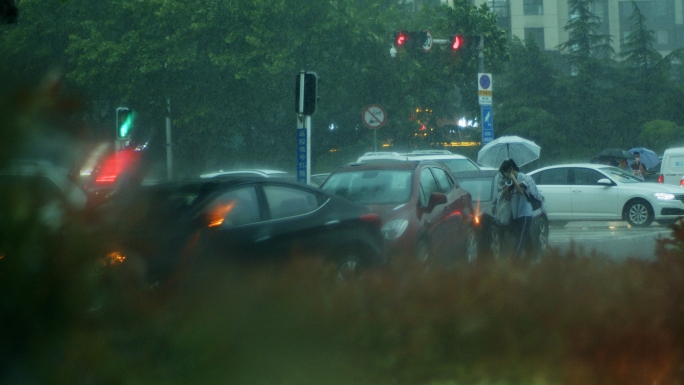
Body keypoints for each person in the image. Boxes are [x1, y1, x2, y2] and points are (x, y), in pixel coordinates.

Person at [498, 159, 544, 259]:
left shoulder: (523, 177)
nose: (505, 175)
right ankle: (532, 255)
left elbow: (521, 190)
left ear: (510, 169)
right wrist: (506, 190)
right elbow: (508, 197)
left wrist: (513, 178)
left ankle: (515, 260)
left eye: (506, 172)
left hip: (525, 213)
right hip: (516, 213)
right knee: (524, 235)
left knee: (520, 237)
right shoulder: (508, 181)